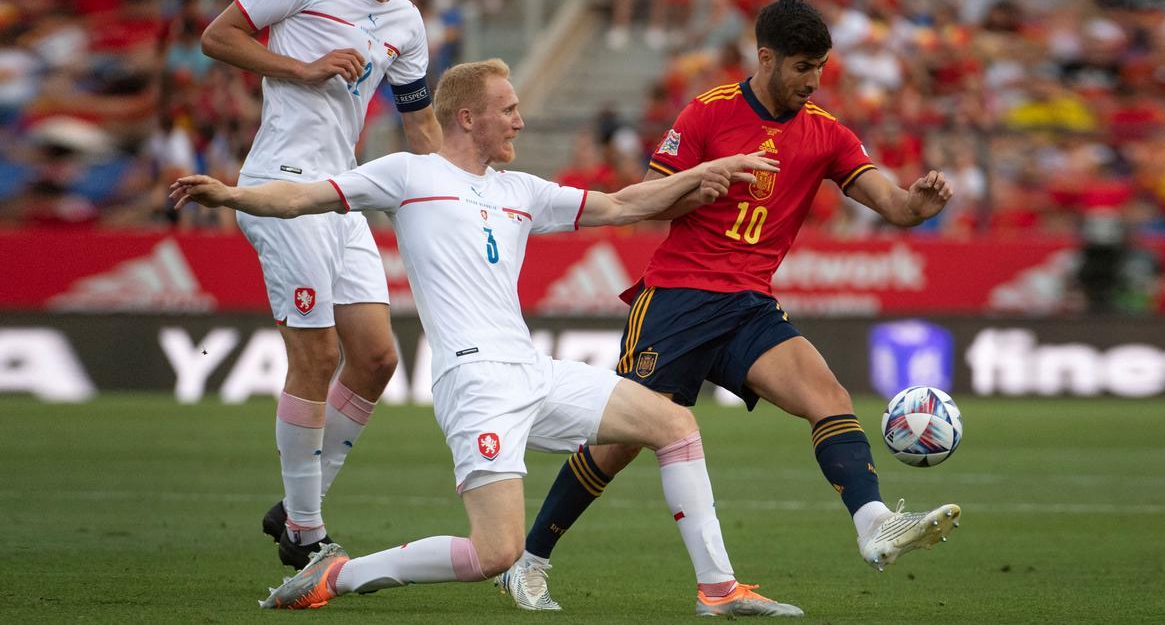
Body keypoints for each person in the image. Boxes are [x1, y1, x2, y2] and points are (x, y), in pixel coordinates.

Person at [171, 59, 802, 617]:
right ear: (468, 118)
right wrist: (233, 194)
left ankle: (718, 590)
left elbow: (623, 205)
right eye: (510, 110)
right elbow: (304, 196)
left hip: (531, 368)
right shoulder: (408, 176)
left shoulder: (521, 191)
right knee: (496, 552)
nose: (521, 122)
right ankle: (337, 575)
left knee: (675, 425)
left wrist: (708, 171)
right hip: (473, 381)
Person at [499, 0, 962, 611]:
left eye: (820, 66)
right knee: (620, 443)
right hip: (677, 301)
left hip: (749, 305)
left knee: (829, 398)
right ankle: (528, 561)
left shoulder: (826, 133)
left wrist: (918, 206)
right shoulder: (706, 115)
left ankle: (874, 524)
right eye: (801, 66)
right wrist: (699, 183)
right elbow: (643, 200)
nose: (812, 80)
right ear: (765, 57)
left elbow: (895, 205)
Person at [199, 0, 443, 569]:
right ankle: (306, 534)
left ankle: (295, 504)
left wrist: (457, 200)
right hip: (281, 184)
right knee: (317, 353)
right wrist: (300, 68)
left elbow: (420, 125)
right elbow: (217, 36)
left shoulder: (407, 23)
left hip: (343, 192)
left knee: (378, 357)